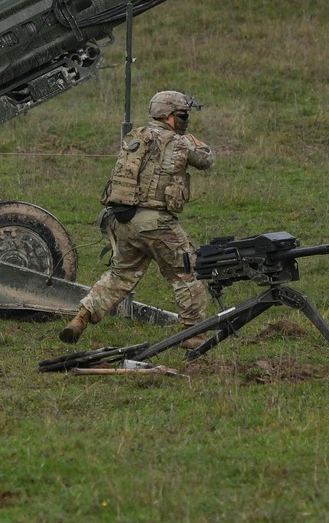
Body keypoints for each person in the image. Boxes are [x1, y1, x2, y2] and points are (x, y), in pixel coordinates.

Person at [60, 90, 215, 346]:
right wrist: (192, 139)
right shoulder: (180, 142)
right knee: (186, 271)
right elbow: (206, 159)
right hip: (157, 223)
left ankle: (80, 319)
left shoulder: (135, 137)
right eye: (182, 115)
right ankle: (194, 333)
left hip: (125, 220)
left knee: (120, 275)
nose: (186, 120)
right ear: (168, 116)